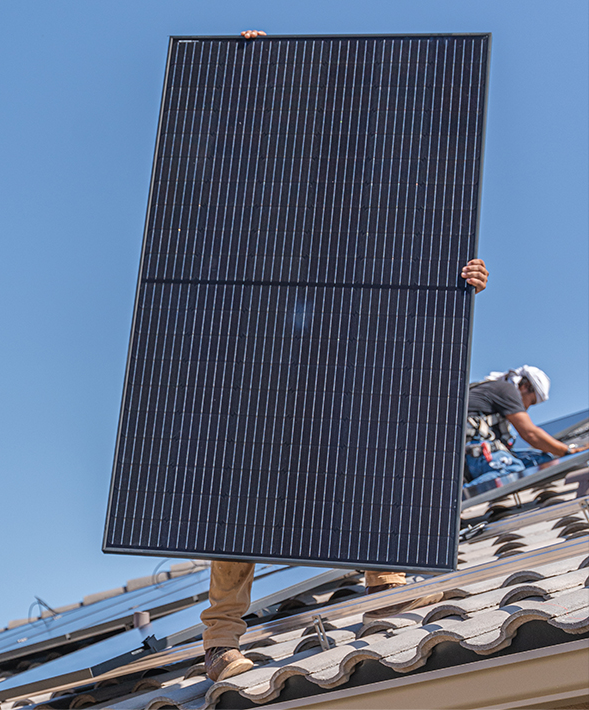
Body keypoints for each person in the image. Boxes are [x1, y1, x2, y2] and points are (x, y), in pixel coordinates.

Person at [200, 30, 491, 683]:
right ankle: (221, 637)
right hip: (258, 317)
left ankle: (384, 576)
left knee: (365, 427)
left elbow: (412, 249)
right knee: (243, 462)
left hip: (340, 321)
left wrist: (460, 275)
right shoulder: (273, 183)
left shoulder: (373, 192)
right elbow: (241, 158)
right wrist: (256, 76)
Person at [464, 366, 589, 490]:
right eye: (531, 401)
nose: (527, 408)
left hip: (477, 455)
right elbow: (530, 434)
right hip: (470, 454)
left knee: (543, 460)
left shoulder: (496, 392)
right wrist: (567, 451)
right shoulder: (506, 390)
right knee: (513, 471)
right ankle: (456, 496)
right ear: (525, 386)